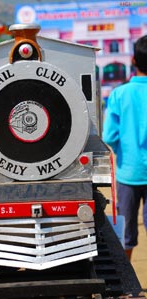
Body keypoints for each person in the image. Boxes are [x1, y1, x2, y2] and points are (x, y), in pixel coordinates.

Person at [102, 35, 147, 261]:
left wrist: (125, 149)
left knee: (126, 233)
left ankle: (128, 288)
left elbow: (109, 135)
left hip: (128, 172)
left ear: (133, 60)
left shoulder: (120, 94)